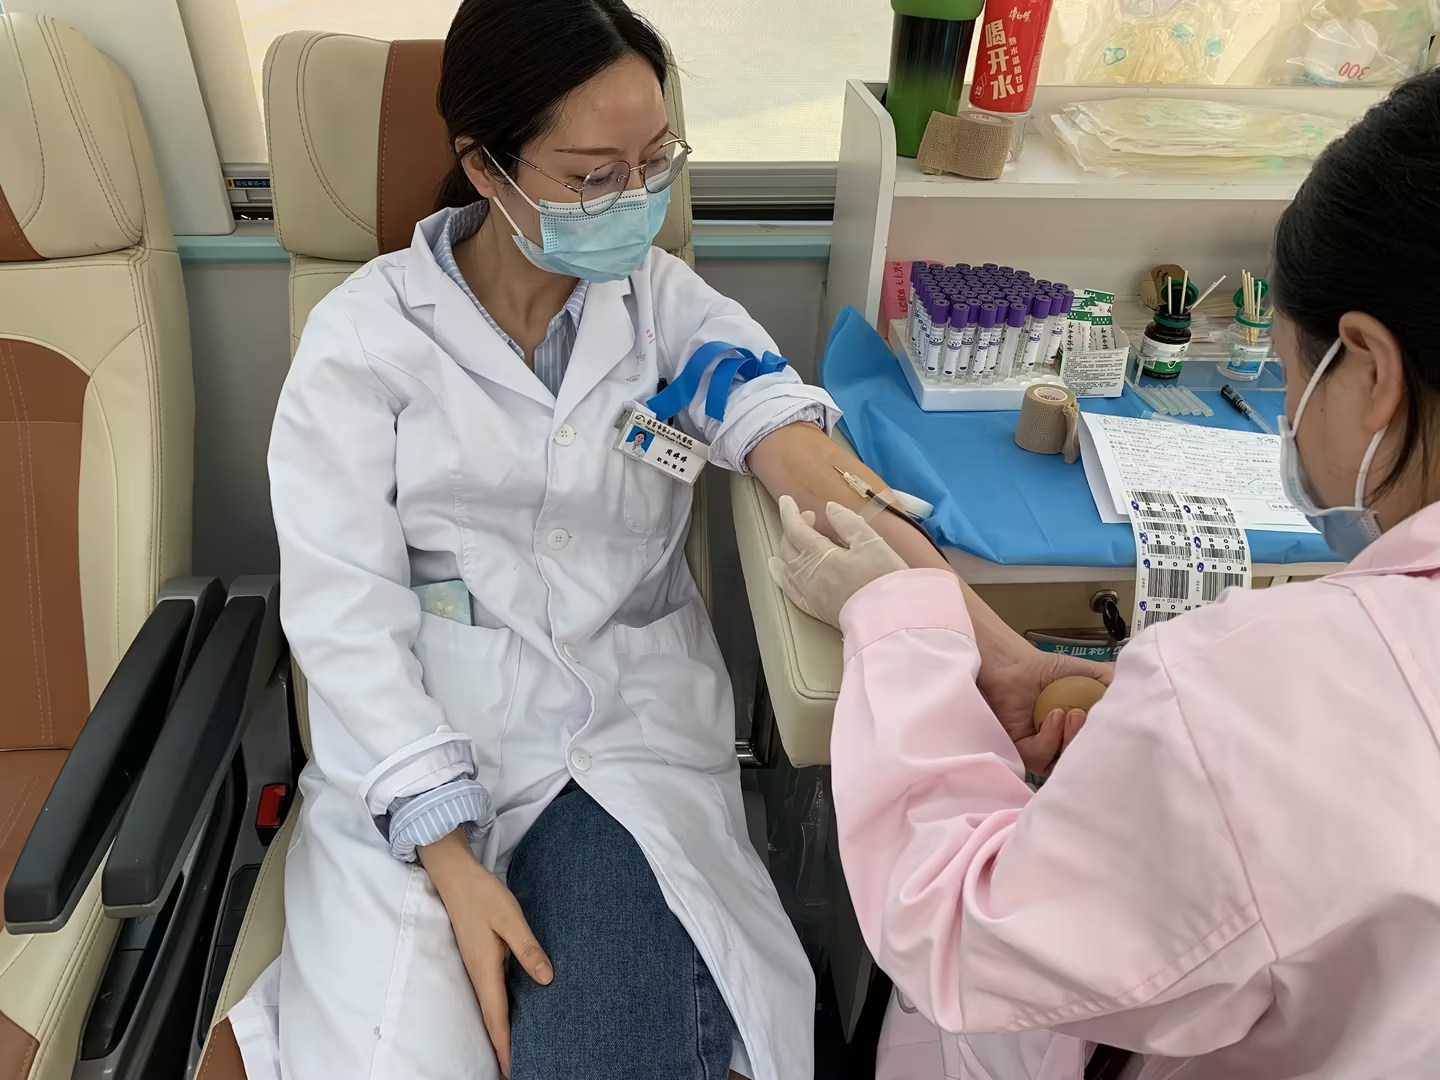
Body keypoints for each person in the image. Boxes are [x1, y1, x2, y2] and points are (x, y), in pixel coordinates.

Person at [230, 2, 1103, 1078]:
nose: (637, 198)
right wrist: (448, 858)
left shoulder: (662, 311)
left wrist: (1002, 657)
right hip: (418, 736)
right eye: (595, 175)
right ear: (485, 165)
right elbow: (343, 611)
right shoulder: (365, 339)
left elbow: (821, 474)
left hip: (619, 738)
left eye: (656, 162)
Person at [769, 69, 1440, 1080]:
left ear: (1373, 369)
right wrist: (1086, 692)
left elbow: (957, 931)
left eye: (1294, 370)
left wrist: (893, 618)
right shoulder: (1265, 698)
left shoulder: (1267, 693)